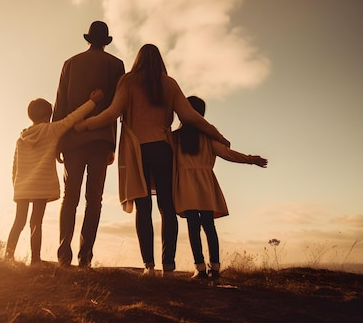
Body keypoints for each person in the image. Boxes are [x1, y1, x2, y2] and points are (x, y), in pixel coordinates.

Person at [75, 44, 230, 277]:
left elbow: (111, 113)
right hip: (163, 150)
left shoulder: (128, 81)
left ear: (138, 59)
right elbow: (190, 116)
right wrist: (217, 135)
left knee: (143, 208)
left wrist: (85, 124)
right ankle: (168, 266)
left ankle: (149, 266)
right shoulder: (169, 83)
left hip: (138, 152)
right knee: (167, 208)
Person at [53, 21, 125, 268]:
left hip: (72, 140)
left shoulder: (70, 63)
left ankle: (64, 255)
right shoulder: (116, 66)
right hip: (100, 140)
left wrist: (57, 141)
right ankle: (86, 257)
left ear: (88, 39)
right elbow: (117, 107)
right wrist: (112, 145)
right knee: (94, 199)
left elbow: (60, 103)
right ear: (106, 42)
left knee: (69, 198)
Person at [173, 96, 268, 281]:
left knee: (193, 226)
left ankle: (199, 269)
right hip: (206, 184)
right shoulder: (208, 137)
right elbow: (227, 153)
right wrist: (250, 159)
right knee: (209, 225)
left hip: (185, 185)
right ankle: (215, 269)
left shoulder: (175, 138)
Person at [5, 89, 104, 265]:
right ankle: (35, 260)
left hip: (22, 186)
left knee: (19, 221)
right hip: (40, 186)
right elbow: (72, 118)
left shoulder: (21, 138)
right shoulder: (51, 130)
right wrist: (92, 102)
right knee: (36, 222)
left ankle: (8, 256)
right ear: (48, 115)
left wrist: (16, 185)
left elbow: (15, 165)